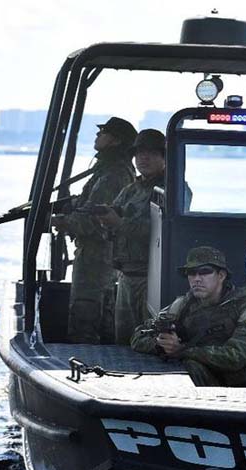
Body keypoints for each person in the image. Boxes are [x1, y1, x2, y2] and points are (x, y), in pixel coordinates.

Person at [131, 246, 246, 387]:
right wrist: (161, 345)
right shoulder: (182, 305)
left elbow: (235, 356)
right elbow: (138, 336)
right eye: (191, 273)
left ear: (221, 275)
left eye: (204, 272)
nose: (197, 279)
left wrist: (182, 349)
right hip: (207, 378)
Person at [51, 117, 137, 343]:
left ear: (116, 141)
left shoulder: (114, 174)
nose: (98, 136)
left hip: (97, 257)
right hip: (96, 254)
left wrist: (60, 222)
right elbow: (89, 206)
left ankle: (85, 360)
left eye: (104, 133)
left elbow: (93, 219)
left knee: (87, 312)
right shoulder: (108, 170)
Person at [97, 129, 166, 344]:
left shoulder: (171, 190)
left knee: (150, 341)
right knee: (123, 340)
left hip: (151, 279)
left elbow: (159, 230)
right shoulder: (130, 190)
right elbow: (114, 221)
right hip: (126, 276)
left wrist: (118, 222)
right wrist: (104, 218)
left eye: (151, 153)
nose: (143, 158)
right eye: (139, 153)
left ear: (164, 157)